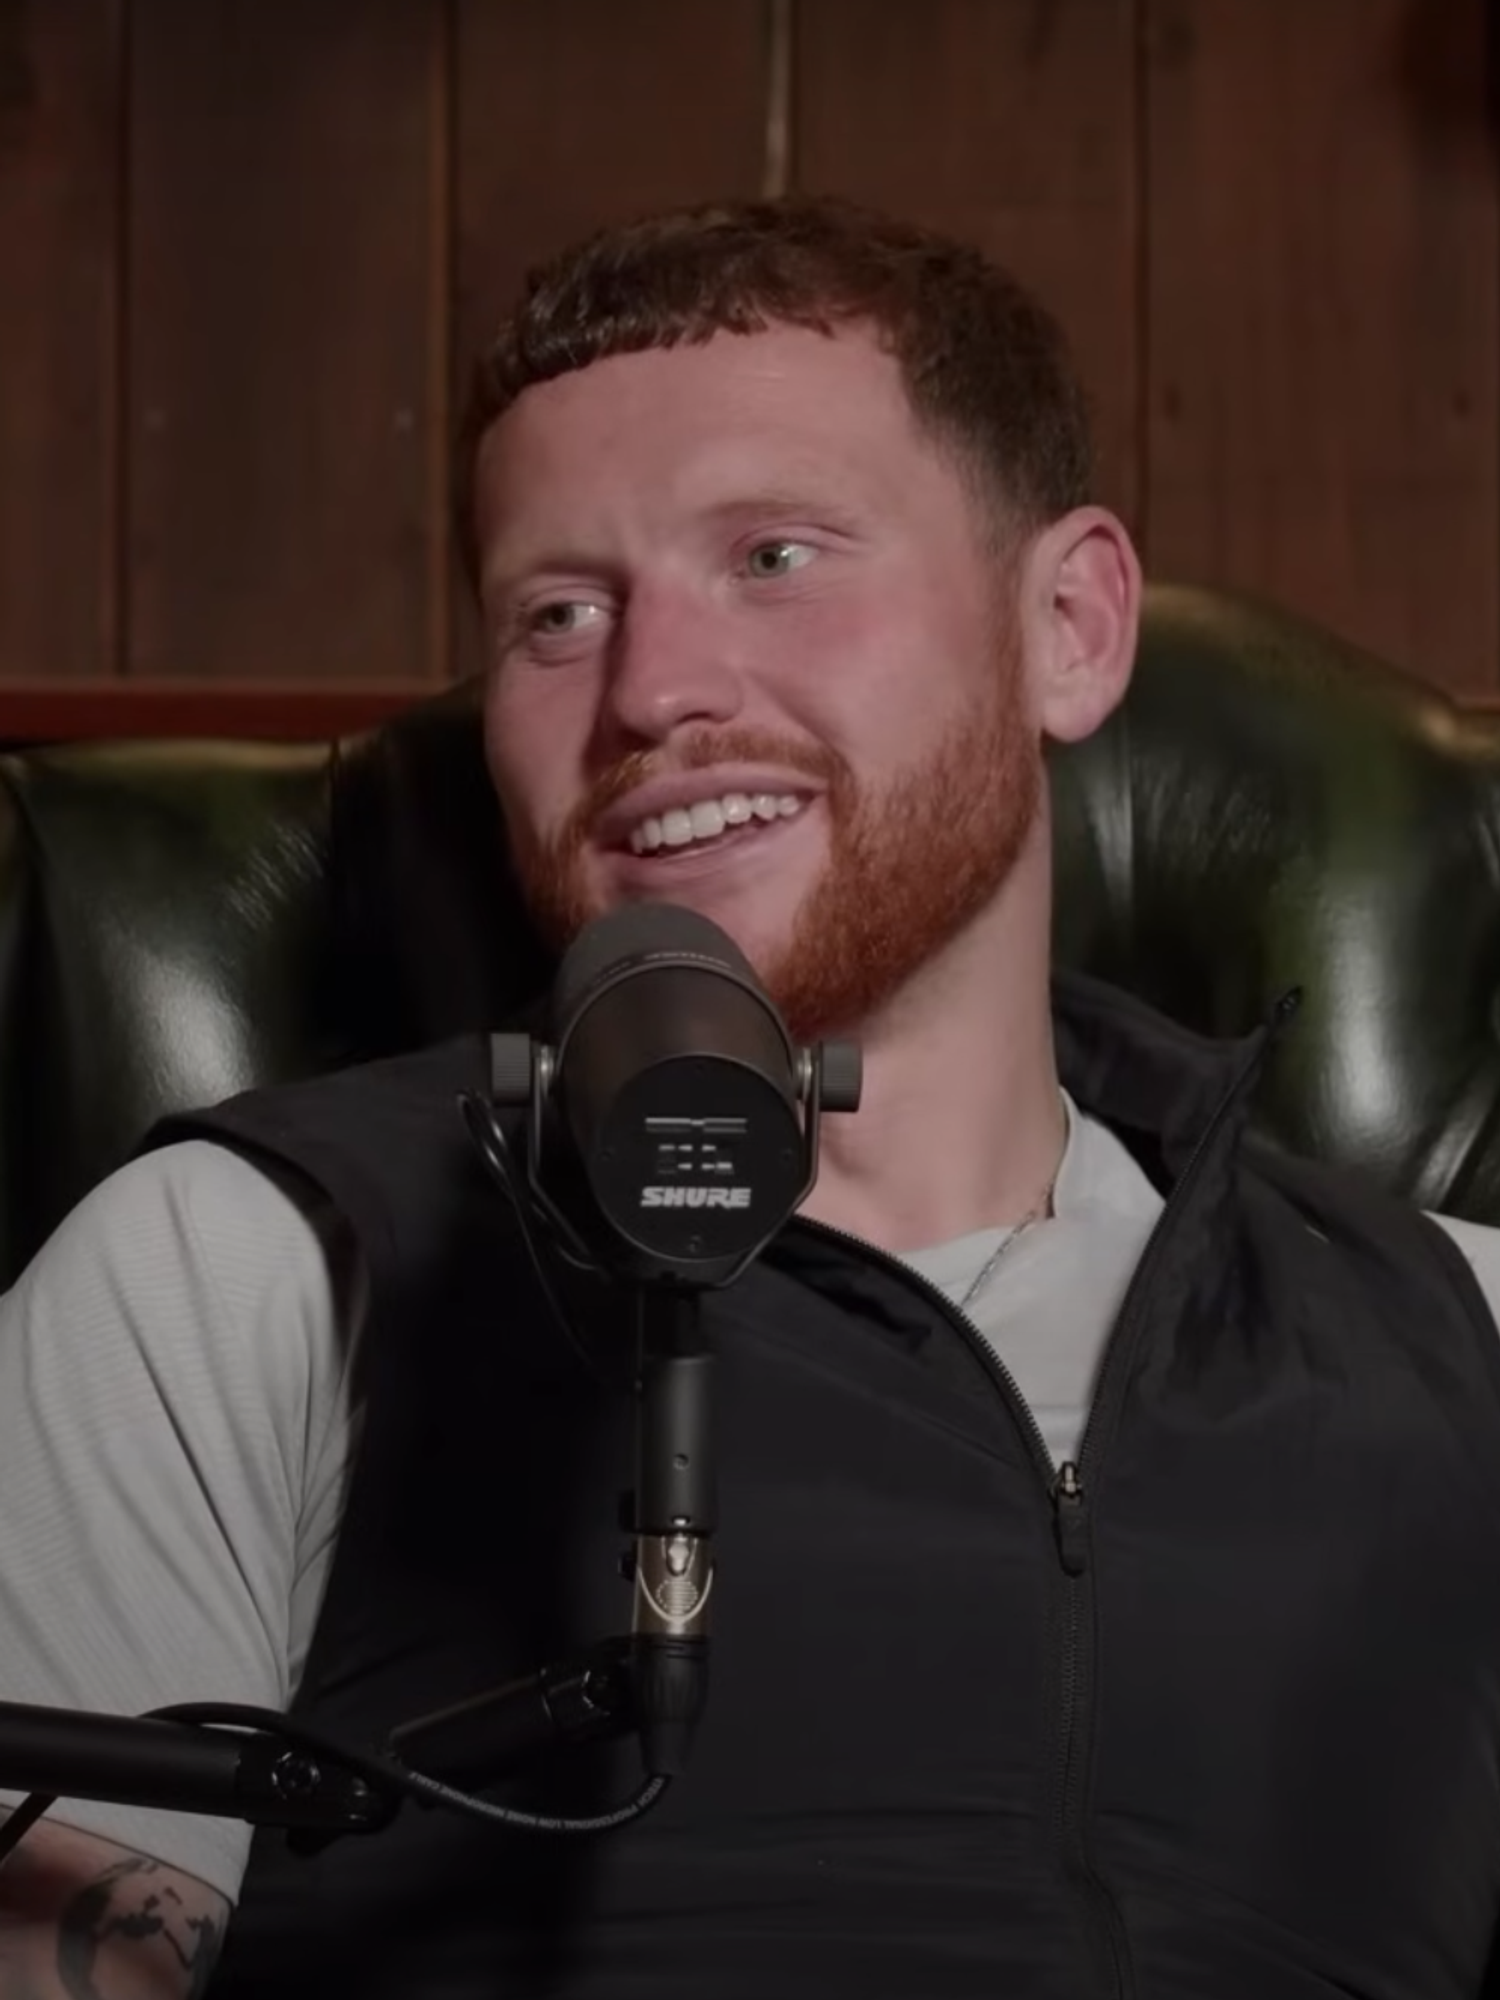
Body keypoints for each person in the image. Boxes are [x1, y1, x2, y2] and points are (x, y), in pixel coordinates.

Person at [3, 196, 1500, 2000]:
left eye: (776, 556)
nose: (651, 689)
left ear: (1071, 627)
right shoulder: (237, 1274)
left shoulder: (1461, 1332)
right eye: (556, 612)